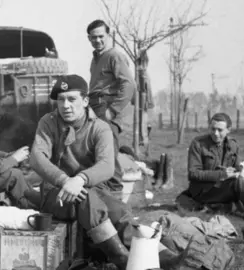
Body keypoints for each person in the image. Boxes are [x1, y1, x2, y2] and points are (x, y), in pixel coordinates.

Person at [30, 74, 190, 270]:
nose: (65, 105)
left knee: (118, 209)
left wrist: (80, 178)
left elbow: (106, 166)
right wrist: (64, 180)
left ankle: (164, 257)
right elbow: (37, 158)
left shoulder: (100, 128)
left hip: (92, 191)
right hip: (57, 195)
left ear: (85, 100)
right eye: (61, 100)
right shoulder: (48, 122)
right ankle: (121, 259)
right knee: (85, 197)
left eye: (72, 99)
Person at [87, 19, 135, 148]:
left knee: (108, 154)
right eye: (94, 37)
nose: (97, 40)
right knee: (96, 153)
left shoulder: (114, 56)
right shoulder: (96, 58)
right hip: (94, 107)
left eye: (101, 36)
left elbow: (129, 85)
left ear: (108, 35)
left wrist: (113, 110)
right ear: (89, 38)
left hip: (106, 106)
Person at [183, 113, 244, 207]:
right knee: (238, 183)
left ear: (228, 130)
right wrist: (222, 174)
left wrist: (239, 170)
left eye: (220, 130)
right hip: (203, 192)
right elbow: (193, 174)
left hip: (224, 187)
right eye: (213, 129)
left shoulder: (233, 145)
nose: (215, 133)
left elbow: (237, 167)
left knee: (240, 180)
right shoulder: (198, 144)